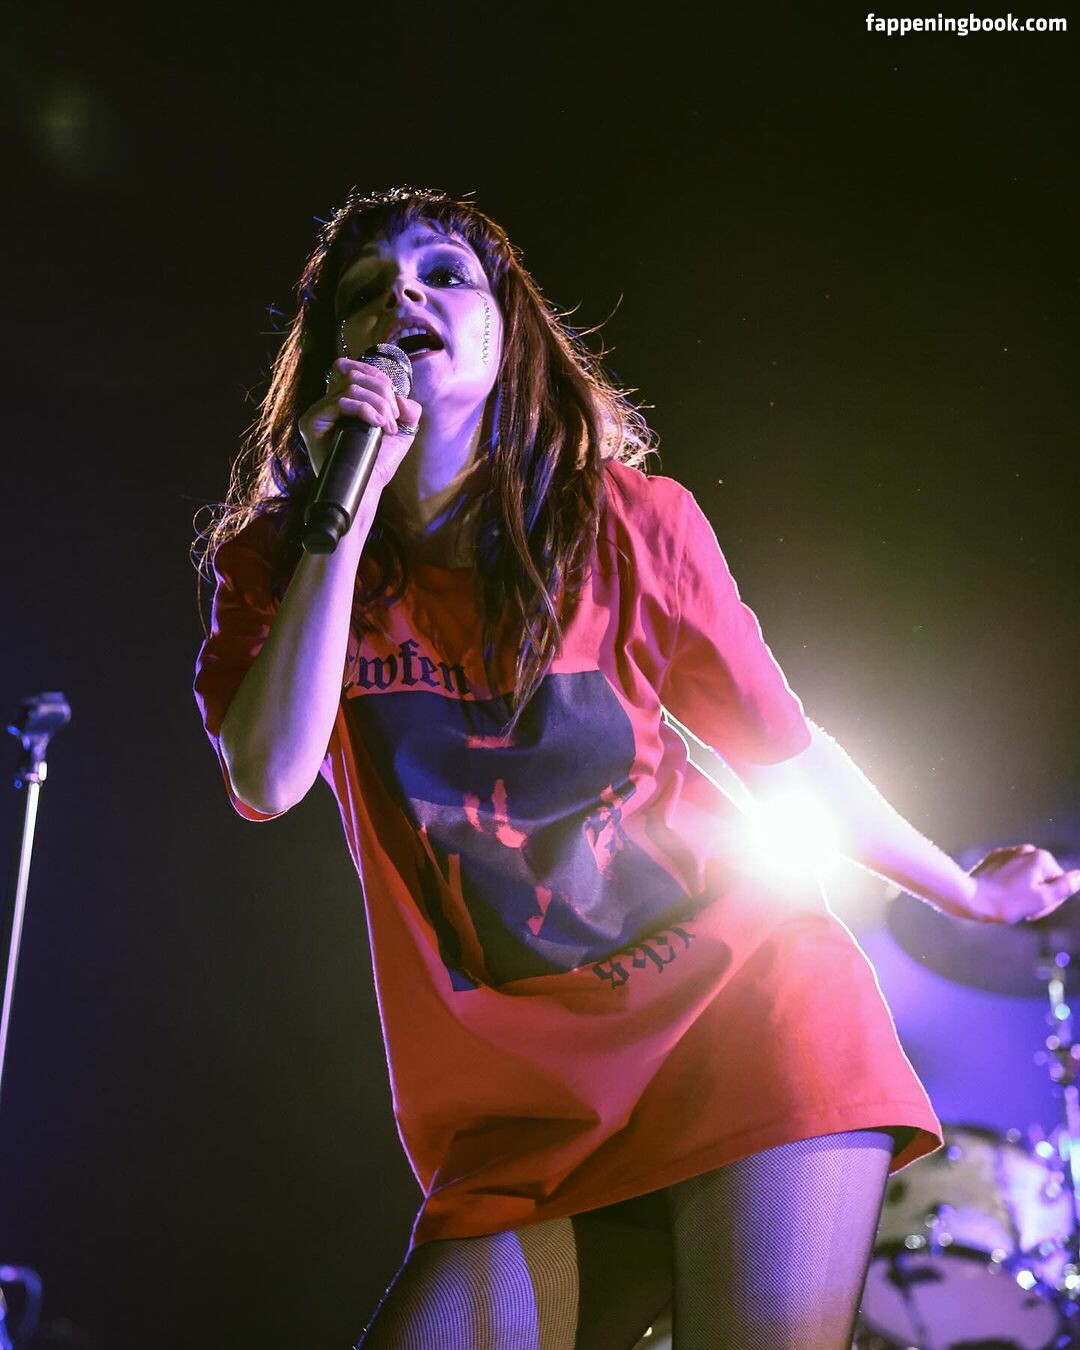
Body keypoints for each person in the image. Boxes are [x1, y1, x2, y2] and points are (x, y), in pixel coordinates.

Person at [193, 186, 1080, 1350]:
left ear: (508, 333)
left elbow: (784, 755)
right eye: (368, 290)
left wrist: (965, 894)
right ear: (334, 358)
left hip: (743, 1020)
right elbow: (268, 775)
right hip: (526, 1101)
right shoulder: (281, 562)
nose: (404, 292)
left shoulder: (627, 522)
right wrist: (342, 521)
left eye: (443, 274)